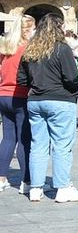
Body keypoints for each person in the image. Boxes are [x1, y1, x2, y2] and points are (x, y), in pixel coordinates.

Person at [16, 13, 78, 203]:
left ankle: (35, 189)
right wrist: (74, 92)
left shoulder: (31, 49)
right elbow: (71, 78)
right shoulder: (62, 49)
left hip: (35, 101)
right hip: (60, 100)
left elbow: (21, 79)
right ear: (58, 27)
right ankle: (62, 188)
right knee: (62, 145)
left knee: (38, 144)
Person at [0, 15, 35, 193]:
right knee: (24, 139)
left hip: (3, 95)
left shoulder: (5, 48)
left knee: (7, 138)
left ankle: (1, 178)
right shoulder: (27, 48)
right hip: (21, 96)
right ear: (27, 30)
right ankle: (26, 181)